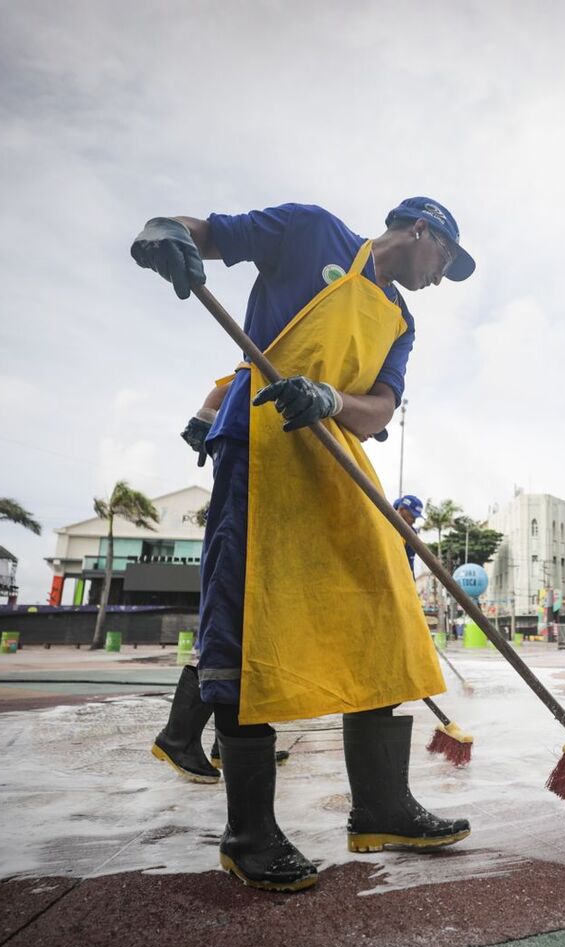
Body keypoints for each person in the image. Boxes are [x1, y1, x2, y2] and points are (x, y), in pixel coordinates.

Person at [132, 196, 475, 893]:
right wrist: (162, 236)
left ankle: (382, 807)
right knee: (246, 624)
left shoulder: (402, 320)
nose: (442, 277)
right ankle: (249, 834)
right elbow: (201, 234)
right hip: (260, 443)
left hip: (339, 456)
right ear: (420, 231)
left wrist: (330, 399)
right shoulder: (309, 229)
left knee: (382, 617)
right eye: (446, 258)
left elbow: (380, 406)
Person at [393, 494, 425, 575]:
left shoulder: (411, 534)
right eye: (412, 516)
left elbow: (409, 565)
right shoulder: (384, 524)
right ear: (401, 509)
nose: (414, 521)